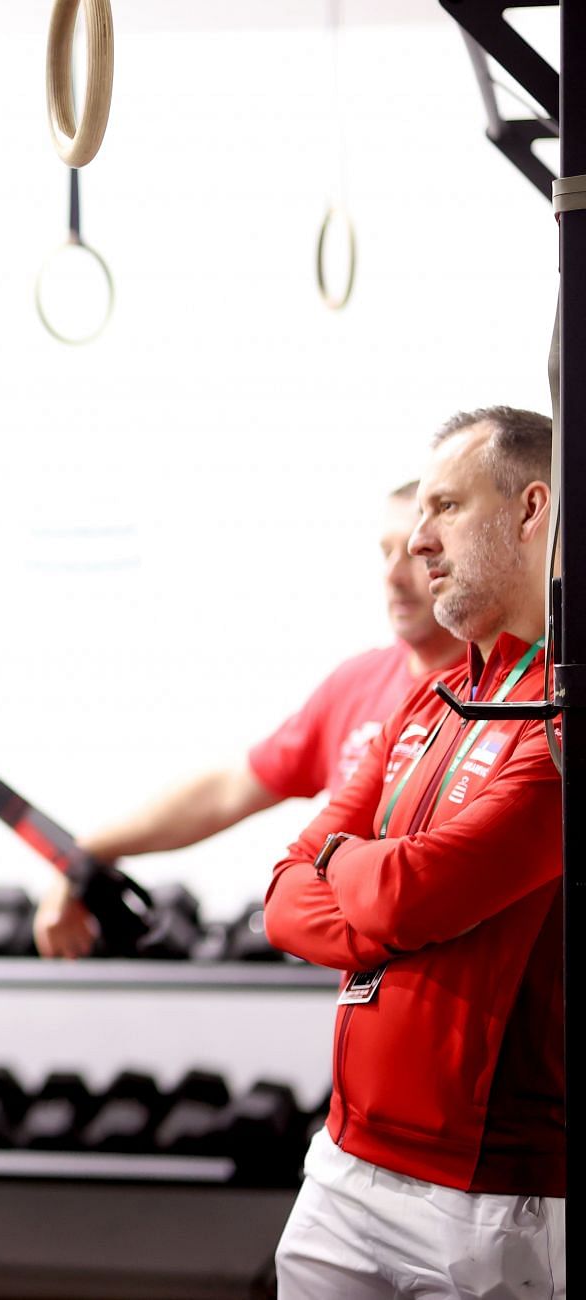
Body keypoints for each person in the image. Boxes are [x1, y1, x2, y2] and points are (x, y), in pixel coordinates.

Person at [264, 406, 563, 1298]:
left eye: (445, 509)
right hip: (345, 1164)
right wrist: (381, 888)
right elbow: (282, 898)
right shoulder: (431, 700)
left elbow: (406, 896)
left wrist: (355, 872)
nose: (419, 544)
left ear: (531, 510)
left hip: (490, 1196)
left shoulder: (561, 713)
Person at [34, 481, 465, 958]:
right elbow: (227, 791)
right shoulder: (356, 682)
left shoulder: (505, 691)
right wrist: (85, 855)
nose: (392, 576)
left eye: (413, 554)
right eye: (384, 553)